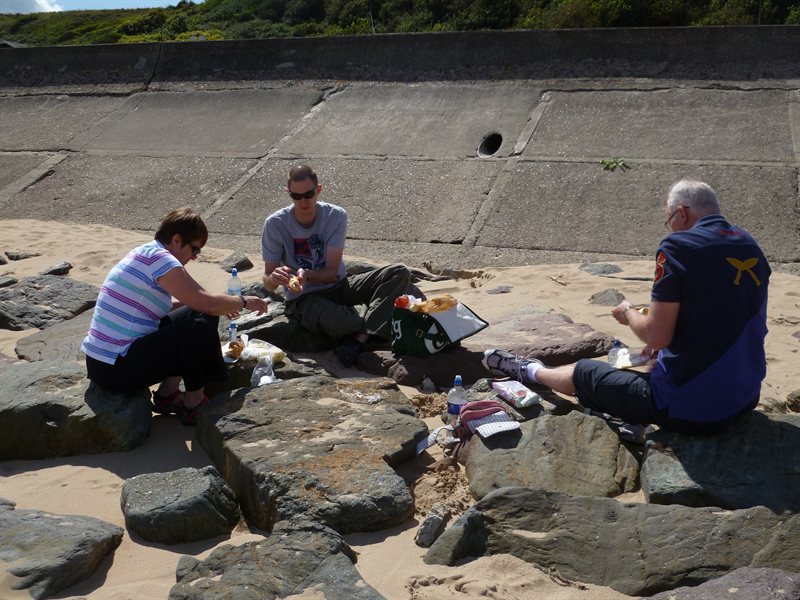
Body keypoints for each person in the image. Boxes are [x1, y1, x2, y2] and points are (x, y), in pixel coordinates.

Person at [483, 179, 771, 437]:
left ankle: (530, 371)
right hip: (745, 397)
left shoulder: (679, 246)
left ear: (681, 213)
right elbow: (723, 311)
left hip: (696, 410)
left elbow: (657, 335)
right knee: (649, 357)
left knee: (585, 372)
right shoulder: (749, 243)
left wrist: (628, 313)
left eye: (669, 219)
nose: (670, 226)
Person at [82, 207, 269, 425]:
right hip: (115, 367)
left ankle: (168, 393)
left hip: (103, 361)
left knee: (199, 313)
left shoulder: (147, 253)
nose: (193, 257)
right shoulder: (162, 260)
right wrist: (244, 301)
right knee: (199, 328)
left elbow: (169, 305)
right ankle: (194, 403)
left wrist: (218, 304)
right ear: (177, 240)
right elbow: (205, 301)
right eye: (195, 250)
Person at [261, 164, 410, 367]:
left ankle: (360, 339)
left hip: (339, 285)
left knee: (399, 273)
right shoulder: (275, 224)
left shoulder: (335, 215)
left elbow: (332, 272)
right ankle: (368, 325)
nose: (303, 201)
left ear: (319, 190)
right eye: (296, 197)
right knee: (349, 322)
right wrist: (274, 278)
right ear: (289, 194)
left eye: (309, 194)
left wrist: (309, 275)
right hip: (304, 298)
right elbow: (267, 282)